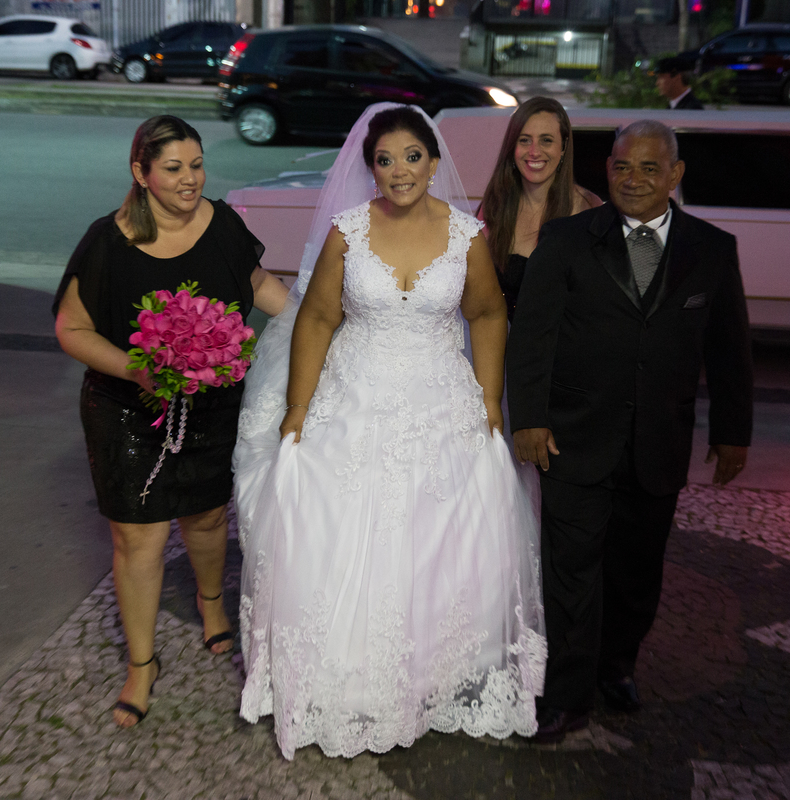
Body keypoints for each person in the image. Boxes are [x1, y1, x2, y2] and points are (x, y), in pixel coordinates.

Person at [233, 103, 547, 760]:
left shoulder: (467, 236)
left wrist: (490, 402)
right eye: (385, 159)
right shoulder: (349, 233)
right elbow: (317, 320)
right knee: (343, 531)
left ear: (434, 162)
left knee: (435, 536)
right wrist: (297, 408)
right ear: (370, 167)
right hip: (355, 396)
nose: (398, 171)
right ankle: (344, 677)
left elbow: (488, 314)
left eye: (411, 157)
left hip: (441, 401)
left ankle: (431, 674)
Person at [506, 119, 752, 743]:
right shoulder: (564, 240)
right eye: (622, 166)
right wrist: (529, 419)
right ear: (606, 168)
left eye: (649, 168)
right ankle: (566, 695)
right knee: (571, 572)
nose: (634, 179)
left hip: (659, 442)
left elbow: (729, 349)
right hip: (573, 437)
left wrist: (733, 431)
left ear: (675, 174)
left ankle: (618, 666)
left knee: (638, 571)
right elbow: (532, 337)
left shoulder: (712, 248)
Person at [53, 115, 288, 729]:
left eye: (198, 165)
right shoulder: (108, 242)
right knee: (139, 536)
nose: (191, 180)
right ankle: (141, 663)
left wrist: (327, 321)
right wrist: (136, 370)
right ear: (141, 172)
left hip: (210, 405)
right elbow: (71, 330)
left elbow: (261, 285)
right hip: (127, 409)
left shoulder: (224, 224)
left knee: (208, 515)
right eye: (175, 168)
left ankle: (212, 606)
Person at [478, 96, 602, 321]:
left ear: (563, 147)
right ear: (512, 147)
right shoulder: (493, 205)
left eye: (546, 140)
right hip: (501, 348)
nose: (534, 151)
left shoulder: (588, 209)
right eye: (525, 140)